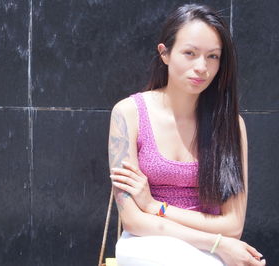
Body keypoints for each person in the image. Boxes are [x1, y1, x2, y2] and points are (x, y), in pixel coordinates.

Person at [107, 4, 266, 266]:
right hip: (146, 243)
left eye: (213, 56)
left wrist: (155, 207)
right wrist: (217, 243)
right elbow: (133, 219)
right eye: (189, 53)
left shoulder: (230, 125)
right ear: (165, 54)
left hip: (210, 249)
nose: (202, 67)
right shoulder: (129, 114)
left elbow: (233, 224)